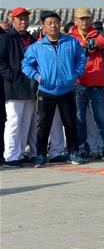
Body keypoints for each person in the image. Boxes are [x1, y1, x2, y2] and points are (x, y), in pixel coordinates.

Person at [21, 11, 87, 167]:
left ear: (61, 24)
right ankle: (41, 155)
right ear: (43, 26)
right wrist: (37, 77)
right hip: (46, 91)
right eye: (49, 23)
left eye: (56, 22)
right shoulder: (37, 47)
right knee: (43, 125)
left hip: (67, 90)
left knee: (71, 123)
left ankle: (73, 153)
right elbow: (25, 65)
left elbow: (81, 59)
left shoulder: (71, 42)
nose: (53, 25)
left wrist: (75, 74)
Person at [68, 8, 104, 160]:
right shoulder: (69, 37)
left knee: (101, 119)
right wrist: (86, 45)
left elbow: (103, 42)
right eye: (81, 18)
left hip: (95, 82)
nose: (84, 21)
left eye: (87, 18)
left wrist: (86, 44)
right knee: (79, 120)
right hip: (78, 83)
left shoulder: (98, 34)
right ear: (75, 20)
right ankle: (81, 149)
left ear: (91, 19)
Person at [0, 8, 37, 167]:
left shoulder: (32, 39)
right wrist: (12, 77)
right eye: (19, 19)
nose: (23, 22)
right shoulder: (5, 38)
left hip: (30, 86)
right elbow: (1, 62)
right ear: (12, 21)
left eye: (25, 19)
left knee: (26, 123)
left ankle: (20, 153)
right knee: (14, 122)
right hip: (14, 87)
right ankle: (10, 155)